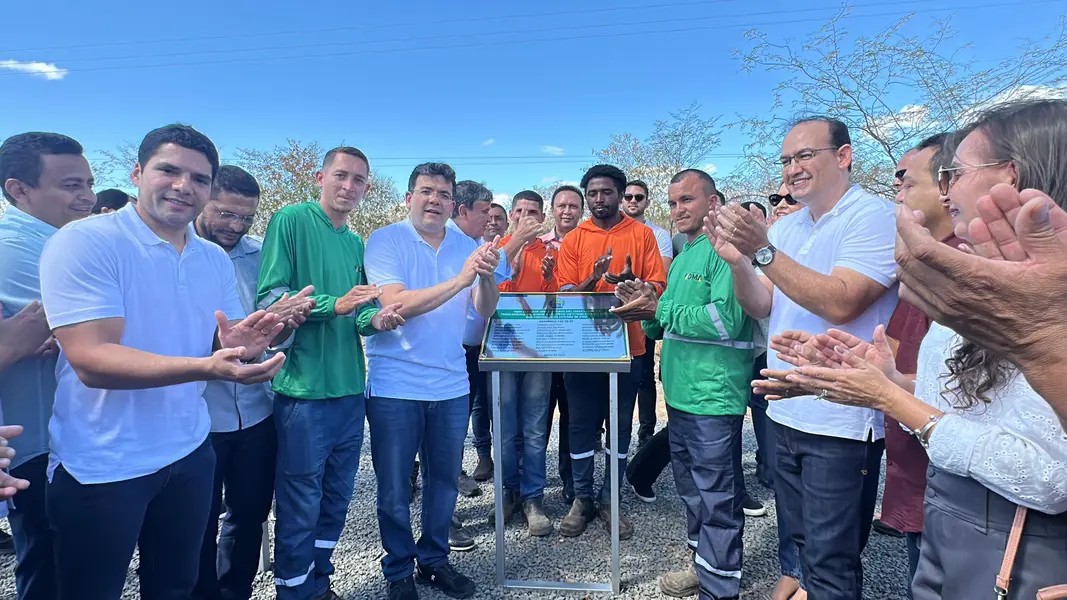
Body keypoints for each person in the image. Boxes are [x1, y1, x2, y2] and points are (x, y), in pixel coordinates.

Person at [767, 99, 1067, 600]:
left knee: (830, 558)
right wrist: (886, 378)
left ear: (1010, 179)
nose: (943, 190)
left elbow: (1047, 478)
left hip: (1015, 551)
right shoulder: (976, 273)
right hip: (948, 518)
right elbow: (964, 407)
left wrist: (891, 400)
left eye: (952, 172)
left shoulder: (1040, 300)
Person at [39, 124, 289, 600]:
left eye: (198, 178)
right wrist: (207, 367)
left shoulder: (212, 258)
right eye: (168, 170)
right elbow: (93, 360)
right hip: (103, 463)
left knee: (177, 586)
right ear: (137, 172)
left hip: (189, 451)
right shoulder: (87, 242)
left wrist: (242, 345)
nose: (183, 186)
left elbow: (226, 338)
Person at [711, 117, 897, 600]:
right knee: (798, 543)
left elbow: (842, 300)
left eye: (805, 156)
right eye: (787, 160)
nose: (792, 169)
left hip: (842, 417)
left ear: (844, 156)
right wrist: (737, 261)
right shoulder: (789, 227)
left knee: (833, 558)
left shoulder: (872, 216)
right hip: (786, 404)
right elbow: (762, 305)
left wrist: (763, 251)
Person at [256, 146, 402, 600]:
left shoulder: (356, 242)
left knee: (336, 500)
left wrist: (374, 319)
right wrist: (331, 304)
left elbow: (355, 314)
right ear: (320, 177)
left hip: (348, 391)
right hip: (302, 392)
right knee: (300, 504)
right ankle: (293, 591)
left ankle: (319, 582)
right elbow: (272, 298)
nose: (349, 186)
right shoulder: (291, 220)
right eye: (341, 176)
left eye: (359, 180)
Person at [614, 167, 754, 600]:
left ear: (713, 203)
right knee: (693, 490)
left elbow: (725, 320)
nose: (677, 211)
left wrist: (662, 309)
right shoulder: (685, 253)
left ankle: (720, 586)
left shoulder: (724, 250)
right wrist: (646, 308)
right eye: (672, 203)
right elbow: (665, 325)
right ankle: (704, 567)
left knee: (717, 496)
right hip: (680, 394)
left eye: (687, 201)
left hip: (713, 393)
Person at [364, 163, 501, 600]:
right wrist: (461, 276)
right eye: (426, 191)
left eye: (443, 194)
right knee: (394, 485)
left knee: (443, 483)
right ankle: (398, 568)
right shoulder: (386, 240)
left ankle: (434, 560)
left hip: (451, 384)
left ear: (452, 202)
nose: (434, 200)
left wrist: (483, 275)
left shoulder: (467, 243)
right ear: (409, 198)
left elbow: (485, 309)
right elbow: (397, 303)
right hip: (395, 384)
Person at [193, 165, 315, 600]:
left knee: (248, 514)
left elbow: (277, 333)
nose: (235, 226)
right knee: (196, 521)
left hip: (257, 410)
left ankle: (234, 592)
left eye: (246, 218)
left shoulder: (263, 254)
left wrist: (287, 323)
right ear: (204, 197)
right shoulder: (177, 252)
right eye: (226, 214)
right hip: (198, 417)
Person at [0, 131, 96, 600]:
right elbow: (84, 335)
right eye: (71, 185)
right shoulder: (17, 250)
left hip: (58, 440)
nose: (87, 198)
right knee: (51, 570)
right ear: (19, 190)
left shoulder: (62, 243)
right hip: (37, 447)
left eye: (88, 184)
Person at [872, 132, 963, 596]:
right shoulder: (925, 263)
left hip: (959, 489)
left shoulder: (967, 268)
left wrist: (884, 387)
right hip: (916, 471)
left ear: (948, 185)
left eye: (906, 184)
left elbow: (959, 397)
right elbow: (891, 352)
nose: (898, 196)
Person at [555, 164, 667, 540]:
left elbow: (657, 284)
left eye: (606, 192)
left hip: (629, 348)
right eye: (593, 193)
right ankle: (583, 498)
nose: (599, 199)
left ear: (621, 195)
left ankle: (610, 498)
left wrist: (635, 288)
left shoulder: (642, 235)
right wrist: (593, 280)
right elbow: (565, 292)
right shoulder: (574, 239)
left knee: (619, 428)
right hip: (581, 348)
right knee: (580, 426)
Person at [443, 180, 514, 551]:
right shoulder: (446, 244)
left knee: (455, 427)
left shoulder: (474, 247)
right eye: (485, 211)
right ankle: (446, 516)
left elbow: (486, 303)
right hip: (443, 353)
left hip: (472, 350)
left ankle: (447, 510)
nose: (491, 218)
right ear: (464, 211)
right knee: (446, 433)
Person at [491, 190, 557, 536]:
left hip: (538, 349)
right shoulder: (495, 248)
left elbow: (558, 300)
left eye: (533, 211)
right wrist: (512, 267)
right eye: (519, 211)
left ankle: (533, 498)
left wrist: (549, 280)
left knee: (533, 428)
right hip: (501, 347)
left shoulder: (550, 251)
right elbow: (486, 293)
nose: (525, 216)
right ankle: (507, 492)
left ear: (541, 216)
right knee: (504, 428)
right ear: (512, 214)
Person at [622, 179, 673, 449]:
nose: (633, 201)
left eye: (638, 197)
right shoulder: (613, 230)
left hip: (644, 310)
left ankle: (646, 430)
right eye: (628, 196)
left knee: (643, 374)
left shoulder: (659, 234)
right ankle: (603, 430)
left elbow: (660, 275)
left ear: (647, 201)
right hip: (612, 312)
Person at [542, 185, 585, 503]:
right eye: (561, 205)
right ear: (552, 209)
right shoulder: (537, 245)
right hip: (541, 341)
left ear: (581, 210)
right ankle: (532, 482)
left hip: (578, 341)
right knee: (539, 414)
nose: (567, 210)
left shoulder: (590, 242)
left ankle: (571, 478)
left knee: (574, 413)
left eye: (573, 205)